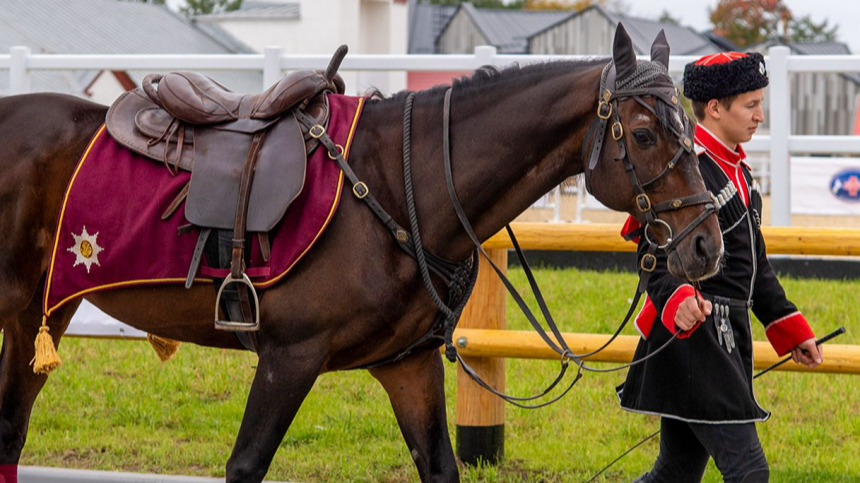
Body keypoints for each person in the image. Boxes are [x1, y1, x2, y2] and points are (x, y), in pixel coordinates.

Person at [616, 52, 824, 483]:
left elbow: (755, 266)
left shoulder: (739, 173)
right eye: (750, 105)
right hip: (696, 339)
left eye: (759, 103)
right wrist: (675, 296)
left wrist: (790, 328)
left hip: (724, 337)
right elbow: (650, 254)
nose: (760, 116)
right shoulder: (683, 171)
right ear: (714, 108)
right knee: (749, 472)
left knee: (674, 473)